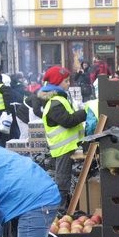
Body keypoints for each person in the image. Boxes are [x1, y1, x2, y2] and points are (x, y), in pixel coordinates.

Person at [38, 65, 86, 209]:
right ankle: (60, 208)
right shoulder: (55, 103)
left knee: (63, 178)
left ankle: (63, 206)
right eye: (66, 81)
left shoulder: (59, 100)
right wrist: (85, 112)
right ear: (56, 83)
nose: (68, 83)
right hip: (63, 148)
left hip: (68, 146)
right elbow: (68, 121)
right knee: (62, 179)